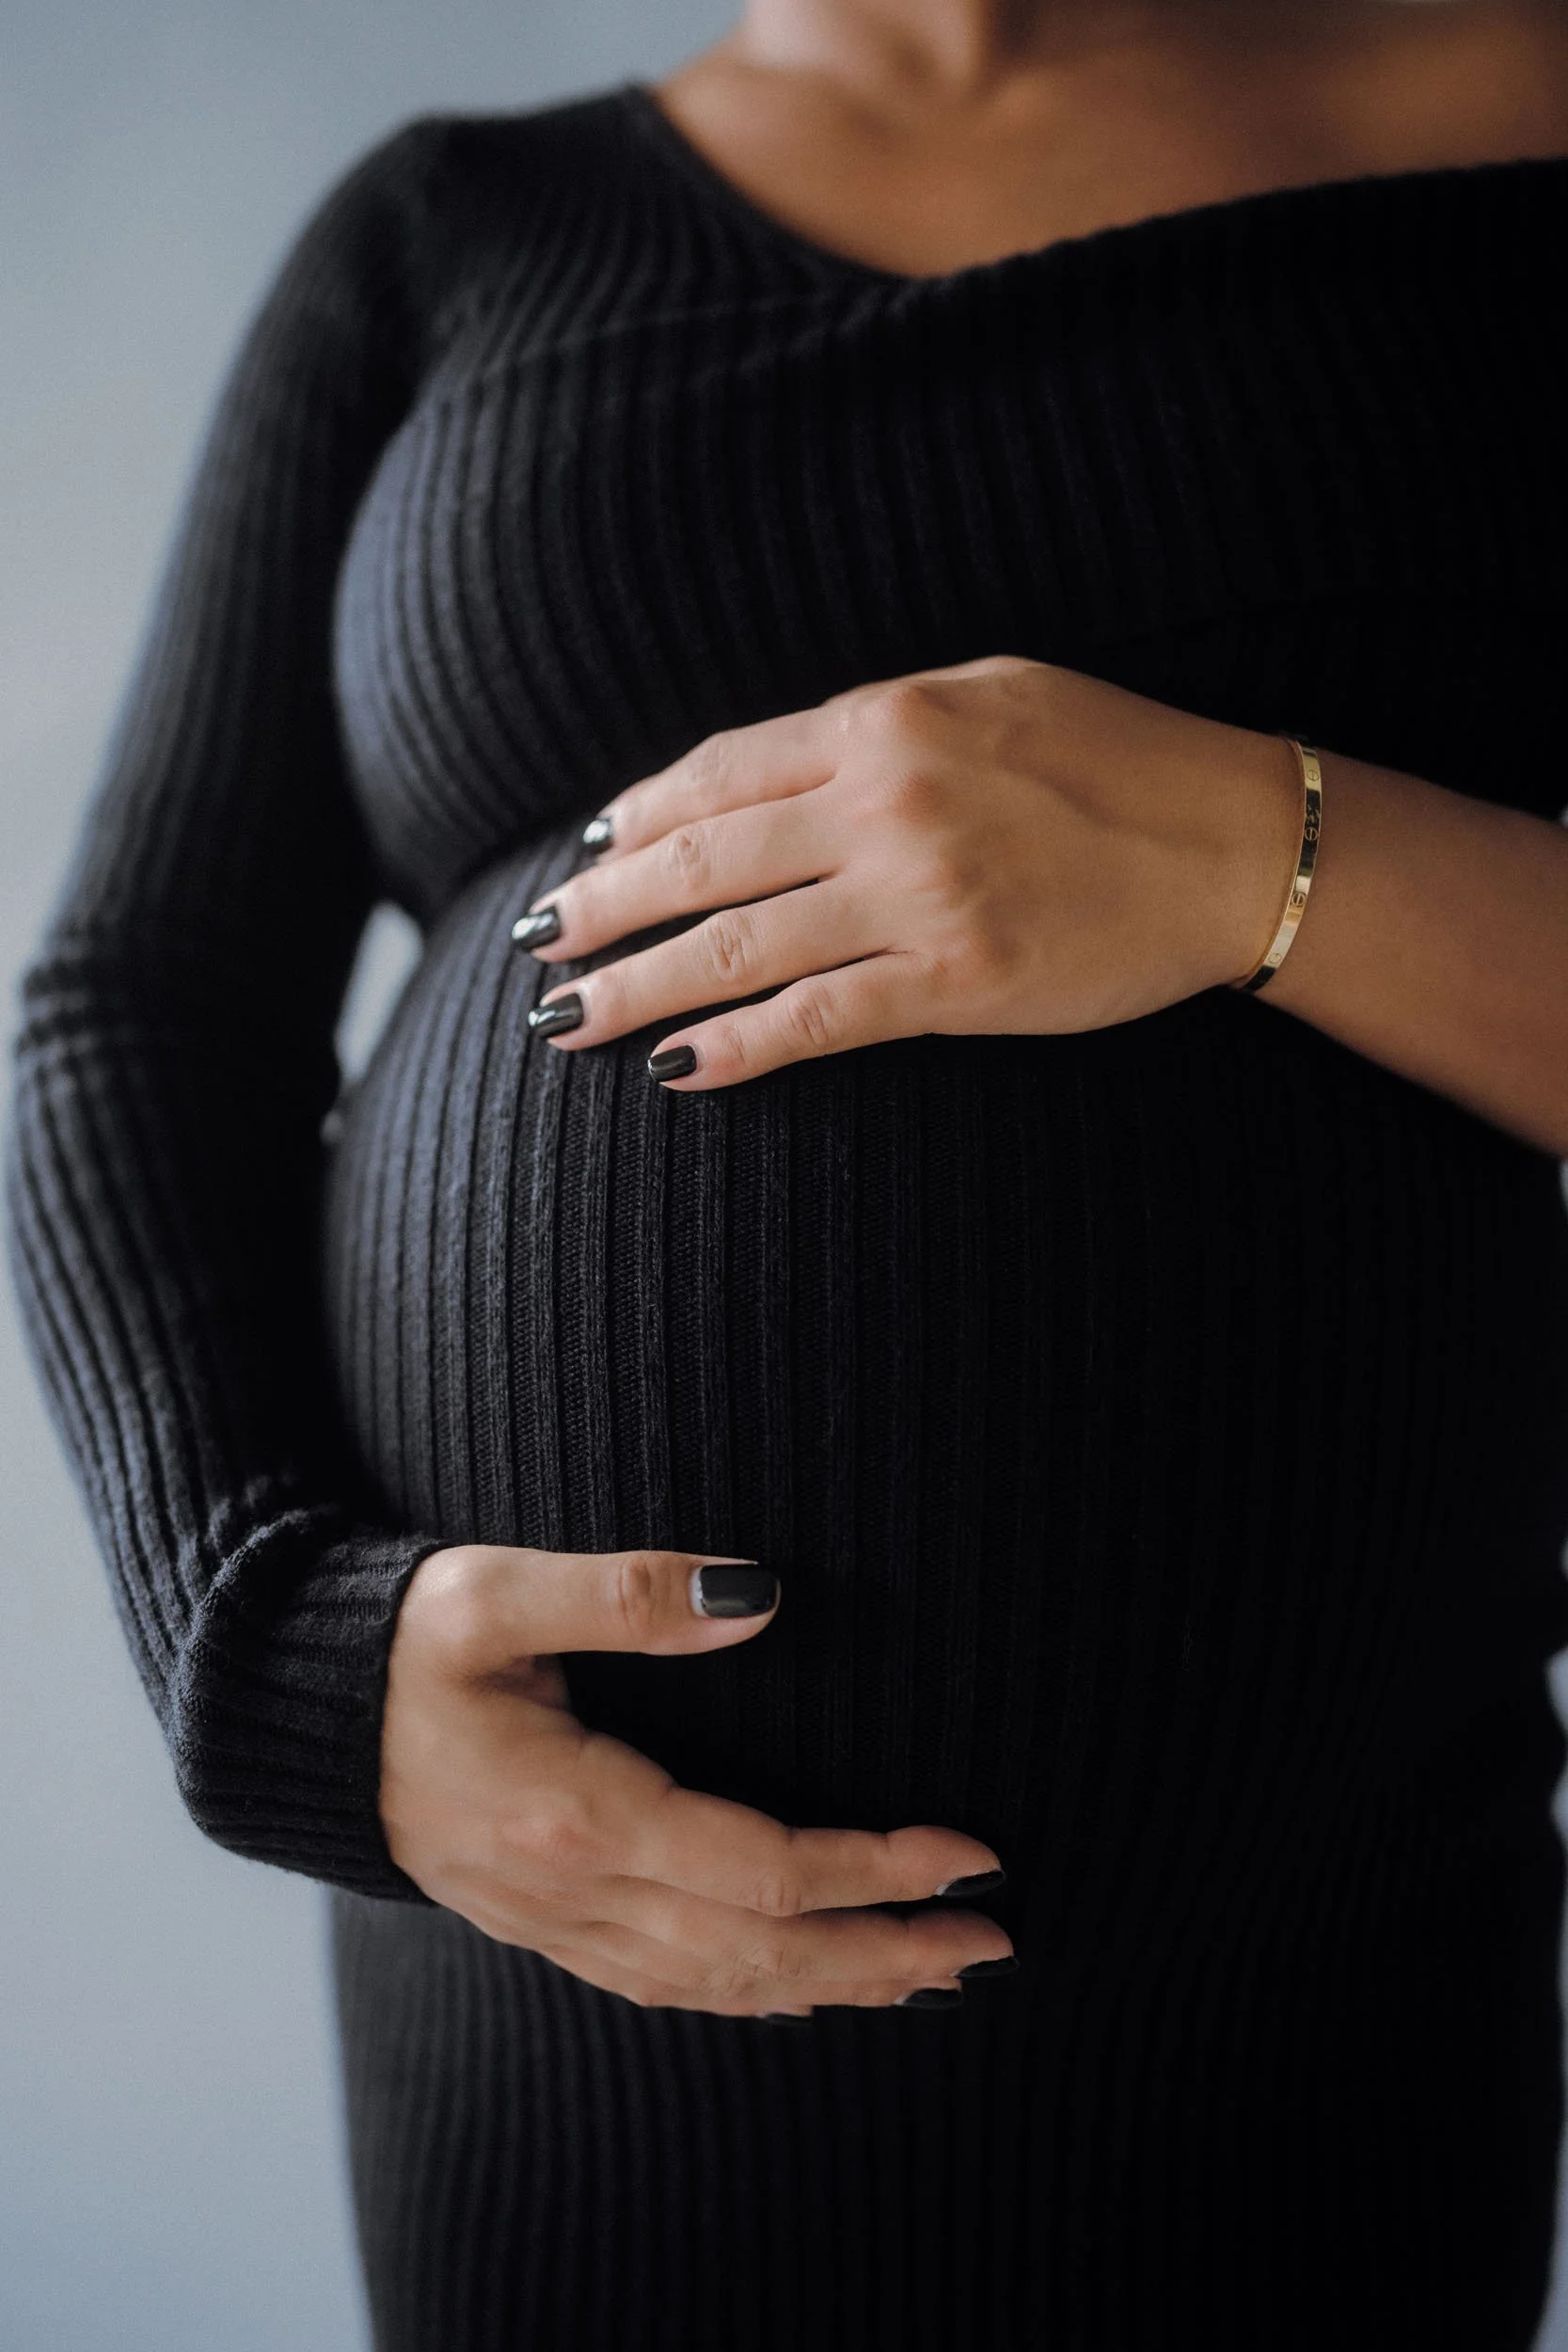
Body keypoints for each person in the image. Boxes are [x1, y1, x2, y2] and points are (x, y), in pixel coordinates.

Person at [10, 0, 1568, 2343]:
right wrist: (283, 1671)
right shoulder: (445, 240)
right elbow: (135, 1013)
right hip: (554, 2016)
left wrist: (1248, 851)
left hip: (1291, 1996)